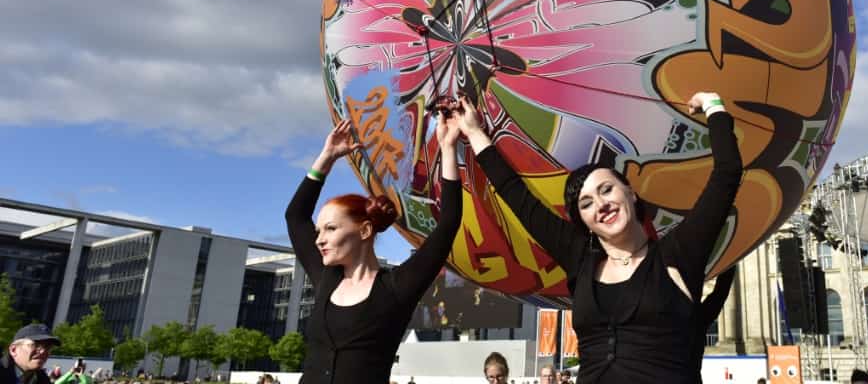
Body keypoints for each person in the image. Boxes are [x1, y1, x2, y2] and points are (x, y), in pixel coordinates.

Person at [456, 91, 742, 384]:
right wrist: (475, 132)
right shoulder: (581, 259)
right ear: (584, 222)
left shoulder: (677, 254)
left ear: (630, 193)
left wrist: (713, 106)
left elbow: (727, 174)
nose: (600, 205)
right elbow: (518, 198)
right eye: (586, 203)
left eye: (606, 190)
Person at [286, 117, 463, 384]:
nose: (318, 239)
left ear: (365, 231)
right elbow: (296, 217)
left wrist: (448, 146)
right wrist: (327, 157)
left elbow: (448, 224)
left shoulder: (397, 288)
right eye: (319, 230)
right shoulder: (327, 277)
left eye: (331, 229)